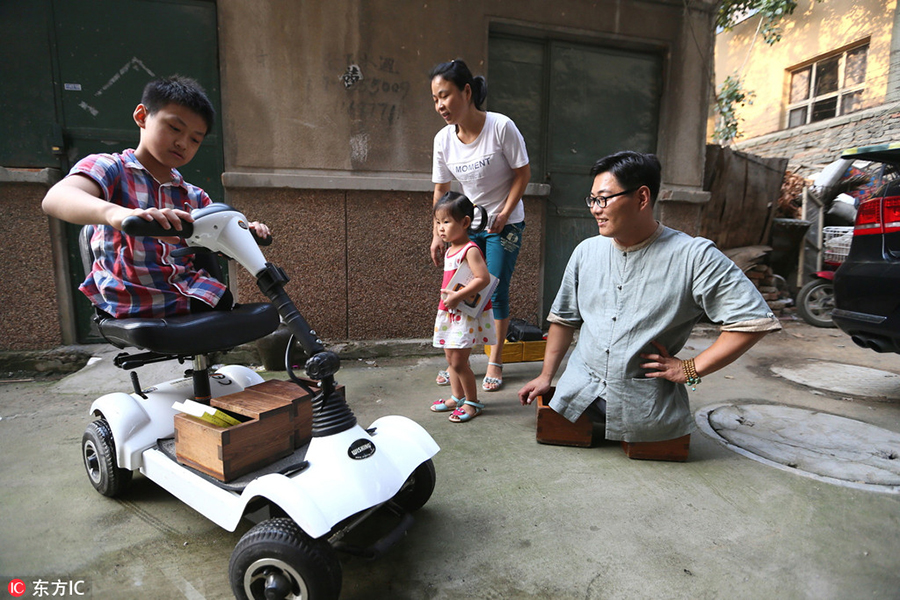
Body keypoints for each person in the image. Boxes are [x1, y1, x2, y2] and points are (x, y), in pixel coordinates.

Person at [518, 151, 781, 450]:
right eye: (591, 200)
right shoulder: (586, 251)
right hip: (576, 394)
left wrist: (691, 369)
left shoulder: (693, 256)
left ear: (642, 198)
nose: (595, 209)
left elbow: (752, 321)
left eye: (603, 199)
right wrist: (546, 376)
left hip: (646, 409)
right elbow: (564, 319)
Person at [42, 75, 269, 319]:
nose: (183, 143)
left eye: (195, 139)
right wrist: (120, 214)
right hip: (130, 296)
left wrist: (245, 232)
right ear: (142, 117)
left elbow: (221, 241)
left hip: (189, 293)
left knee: (245, 308)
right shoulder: (111, 168)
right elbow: (56, 197)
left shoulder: (194, 196)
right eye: (174, 128)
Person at [429, 59, 531, 392]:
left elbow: (523, 174)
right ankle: (457, 362)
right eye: (435, 99)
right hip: (466, 224)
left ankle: (495, 360)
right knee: (461, 291)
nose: (440, 105)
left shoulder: (501, 127)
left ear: (467, 91)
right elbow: (442, 190)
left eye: (445, 95)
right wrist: (437, 233)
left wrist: (504, 212)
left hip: (506, 223)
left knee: (494, 290)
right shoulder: (443, 140)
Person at [429, 192, 497, 423]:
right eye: (438, 222)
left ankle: (472, 402)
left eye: (446, 222)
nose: (440, 228)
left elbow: (483, 278)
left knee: (459, 362)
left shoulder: (470, 249)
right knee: (450, 359)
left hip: (464, 314)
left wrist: (458, 296)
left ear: (465, 223)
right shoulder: (450, 250)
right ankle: (457, 397)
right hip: (449, 310)